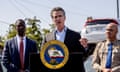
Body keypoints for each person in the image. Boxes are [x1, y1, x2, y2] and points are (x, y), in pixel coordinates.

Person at [42, 7, 88, 72]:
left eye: (60, 16)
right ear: (52, 19)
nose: (58, 18)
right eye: (55, 17)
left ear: (64, 18)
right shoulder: (47, 37)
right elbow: (43, 56)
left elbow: (83, 57)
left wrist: (85, 47)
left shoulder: (75, 35)